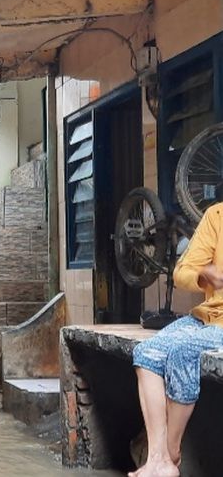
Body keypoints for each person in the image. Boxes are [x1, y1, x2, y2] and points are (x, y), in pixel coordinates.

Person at [130, 204, 223, 477]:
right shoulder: (217, 215)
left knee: (183, 352)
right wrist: (202, 274)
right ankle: (157, 458)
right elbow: (181, 272)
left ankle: (170, 455)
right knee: (146, 353)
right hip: (208, 318)